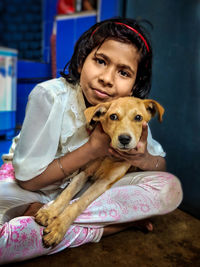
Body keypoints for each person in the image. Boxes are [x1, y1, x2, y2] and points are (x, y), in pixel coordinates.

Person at [0, 17, 183, 264]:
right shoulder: (49, 96)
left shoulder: (131, 113)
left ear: (134, 85)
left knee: (169, 188)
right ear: (81, 62)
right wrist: (92, 149)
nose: (107, 78)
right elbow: (28, 180)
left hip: (87, 195)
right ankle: (111, 225)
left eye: (123, 72)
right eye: (100, 61)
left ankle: (59, 223)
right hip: (32, 187)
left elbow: (159, 166)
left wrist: (143, 157)